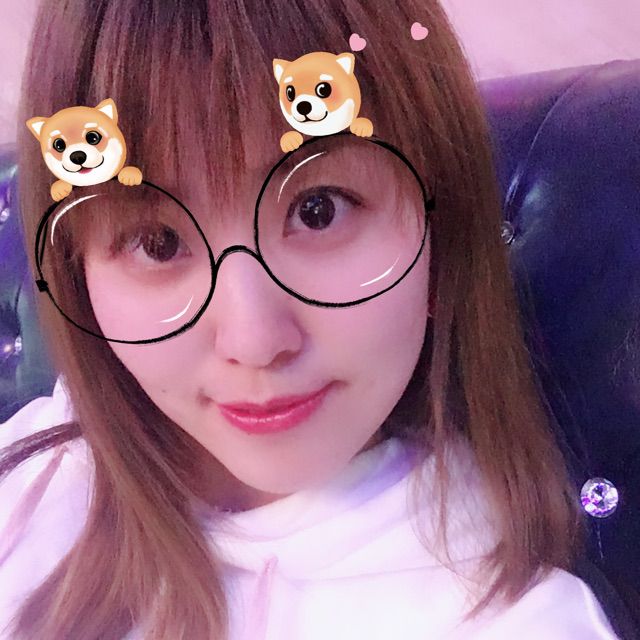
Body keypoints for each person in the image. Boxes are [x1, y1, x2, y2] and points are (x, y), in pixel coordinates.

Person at [0, 0, 625, 638]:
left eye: (318, 210)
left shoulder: (520, 622)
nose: (254, 341)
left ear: (442, 229)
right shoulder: (35, 476)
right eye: (158, 244)